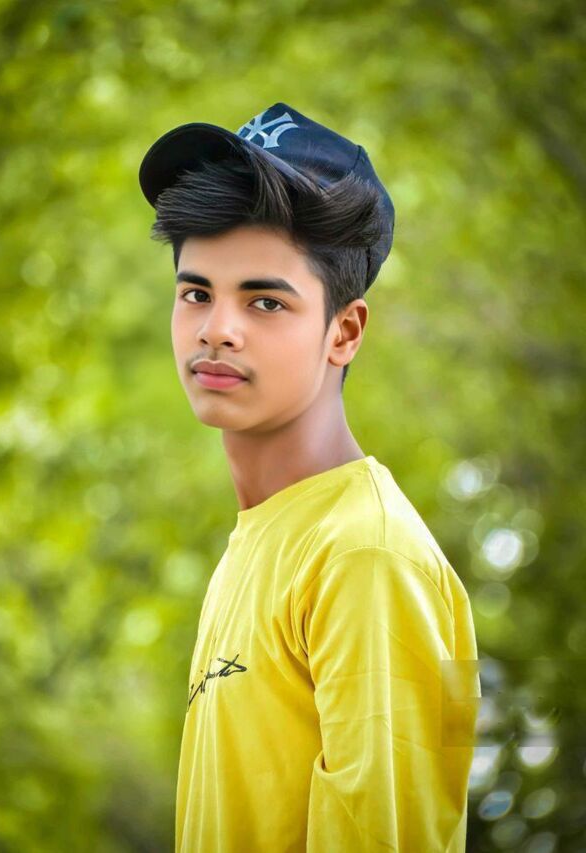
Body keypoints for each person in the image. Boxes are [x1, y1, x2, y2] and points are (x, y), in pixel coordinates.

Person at [138, 102, 481, 852]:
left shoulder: (367, 556)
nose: (216, 329)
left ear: (344, 331)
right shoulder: (264, 538)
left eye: (265, 301)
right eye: (197, 293)